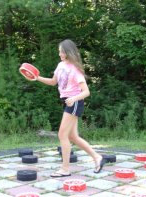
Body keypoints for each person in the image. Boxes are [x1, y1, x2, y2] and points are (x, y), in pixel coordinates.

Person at [36, 39, 106, 177]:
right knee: (73, 136)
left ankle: (65, 169)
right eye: (59, 51)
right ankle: (97, 157)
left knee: (62, 135)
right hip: (67, 102)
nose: (60, 54)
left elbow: (86, 92)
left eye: (62, 51)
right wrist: (37, 78)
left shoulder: (75, 70)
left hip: (74, 103)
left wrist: (73, 98)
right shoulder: (61, 65)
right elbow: (53, 82)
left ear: (68, 52)